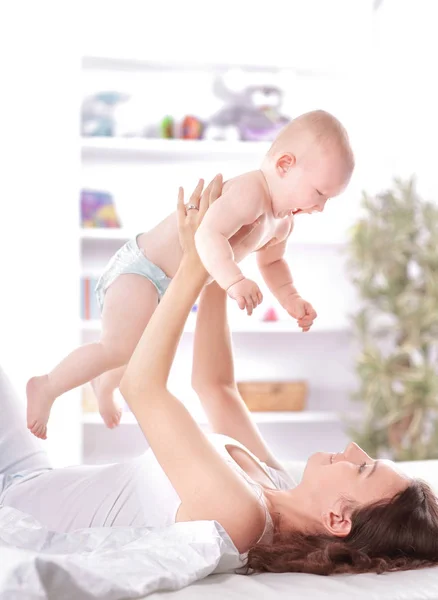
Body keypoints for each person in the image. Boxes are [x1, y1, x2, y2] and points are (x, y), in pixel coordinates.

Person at [3, 177, 436, 576]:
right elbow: (215, 387)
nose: (353, 448)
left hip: (11, 503)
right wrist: (222, 263)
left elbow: (141, 387)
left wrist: (193, 263)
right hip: (29, 476)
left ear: (338, 519)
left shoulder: (241, 516)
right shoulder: (274, 483)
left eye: (362, 469)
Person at [26, 109, 354, 438]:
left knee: (136, 349)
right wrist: (233, 280)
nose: (321, 207)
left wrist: (291, 298)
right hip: (142, 269)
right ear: (285, 165)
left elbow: (272, 264)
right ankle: (47, 386)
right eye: (320, 193)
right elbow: (206, 235)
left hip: (169, 286)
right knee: (119, 347)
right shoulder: (251, 191)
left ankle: (105, 383)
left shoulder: (282, 221)